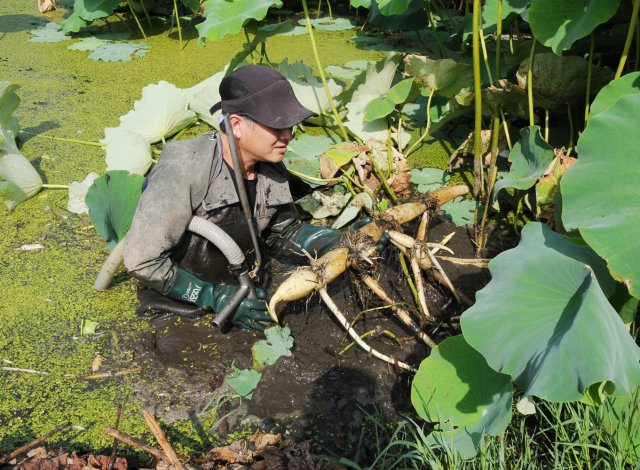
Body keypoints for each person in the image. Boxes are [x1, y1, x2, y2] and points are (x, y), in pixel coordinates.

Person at [123, 65, 345, 331]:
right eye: (277, 125)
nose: (287, 135)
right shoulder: (184, 167)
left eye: (290, 126)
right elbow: (143, 261)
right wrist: (212, 296)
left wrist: (337, 241)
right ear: (237, 125)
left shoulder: (271, 164)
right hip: (183, 305)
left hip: (246, 291)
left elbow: (280, 234)